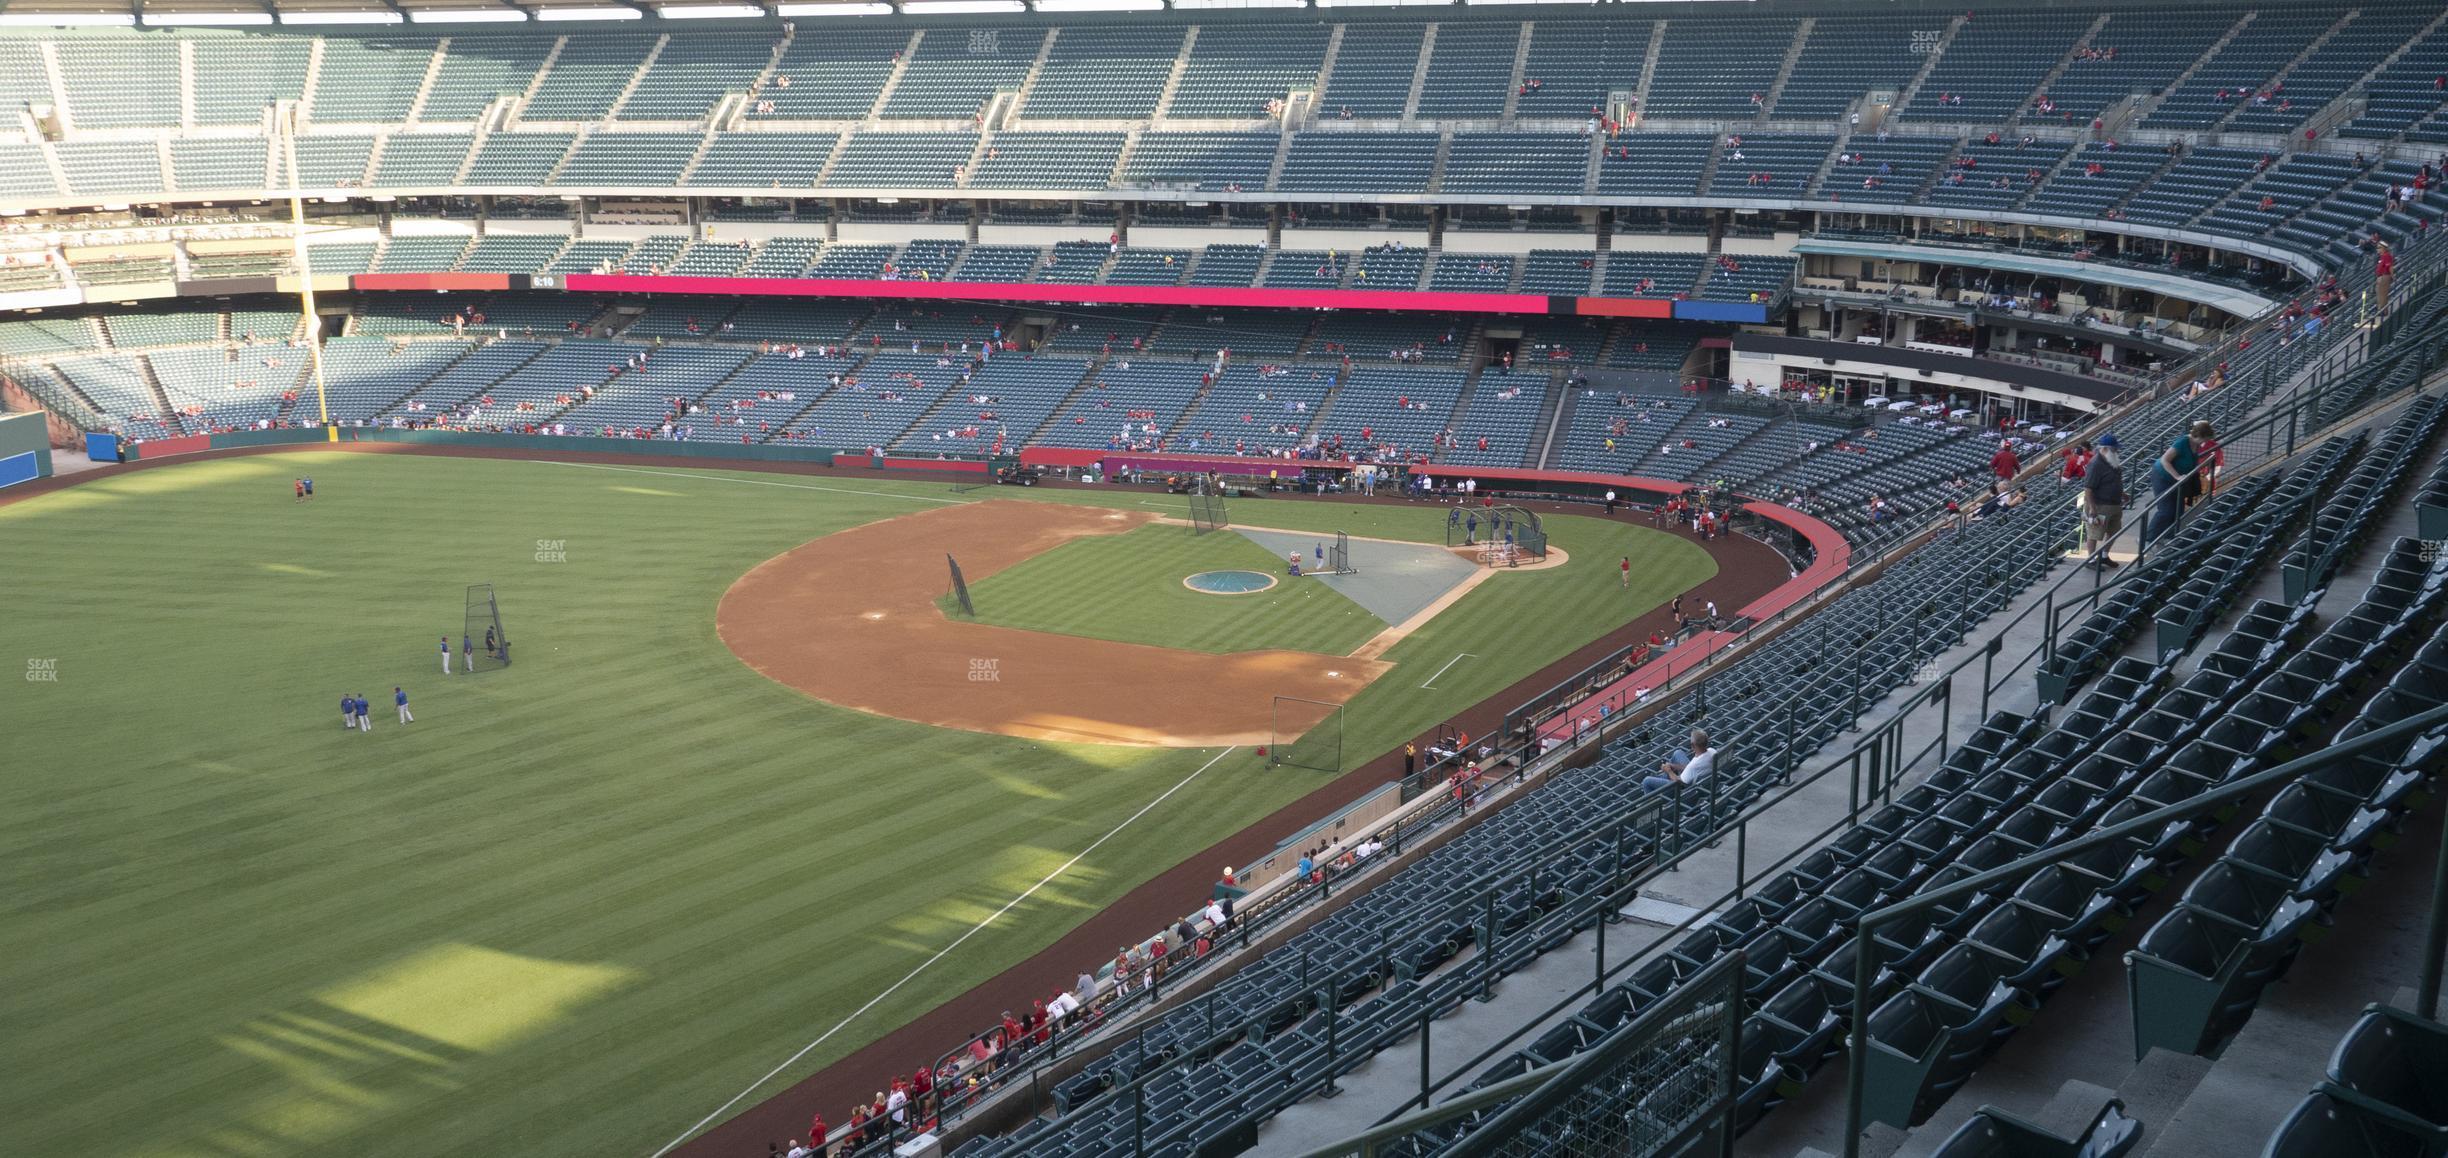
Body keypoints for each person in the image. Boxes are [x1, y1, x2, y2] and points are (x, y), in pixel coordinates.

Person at [2144, 421, 2211, 547]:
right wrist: (2177, 476)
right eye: (2204, 439)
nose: (2205, 442)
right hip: (2162, 476)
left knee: (2178, 510)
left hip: (2178, 480)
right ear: (2199, 435)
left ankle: (2167, 537)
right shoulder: (2182, 442)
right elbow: (2165, 460)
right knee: (2166, 510)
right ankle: (2148, 540)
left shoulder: (2196, 445)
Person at [2082, 434, 2125, 569]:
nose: (2117, 451)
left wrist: (2122, 493)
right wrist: (2093, 508)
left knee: (2114, 530)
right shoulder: (2095, 464)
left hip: (2115, 503)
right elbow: (2088, 489)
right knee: (2094, 533)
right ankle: (2090, 559)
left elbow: (2112, 481)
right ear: (2106, 449)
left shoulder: (2111, 461)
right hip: (2100, 504)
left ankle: (2104, 556)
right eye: (2114, 449)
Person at [1643, 729, 1714, 792]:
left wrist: (1669, 771)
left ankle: (1651, 804)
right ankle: (1662, 777)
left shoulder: (1693, 766)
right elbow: (1690, 769)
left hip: (1683, 789)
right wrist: (1673, 766)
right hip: (1699, 775)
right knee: (1678, 753)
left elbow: (1678, 783)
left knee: (1646, 781)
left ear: (1692, 745)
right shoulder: (1712, 751)